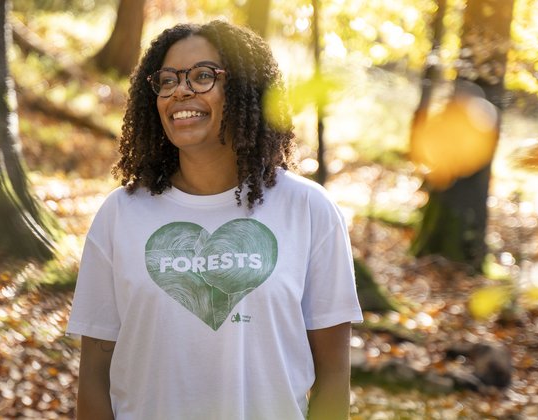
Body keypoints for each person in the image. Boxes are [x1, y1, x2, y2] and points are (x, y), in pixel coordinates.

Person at [66, 20, 363, 420]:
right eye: (167, 80)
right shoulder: (120, 215)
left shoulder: (309, 210)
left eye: (203, 76)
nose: (181, 90)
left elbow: (332, 377)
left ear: (244, 90)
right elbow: (94, 380)